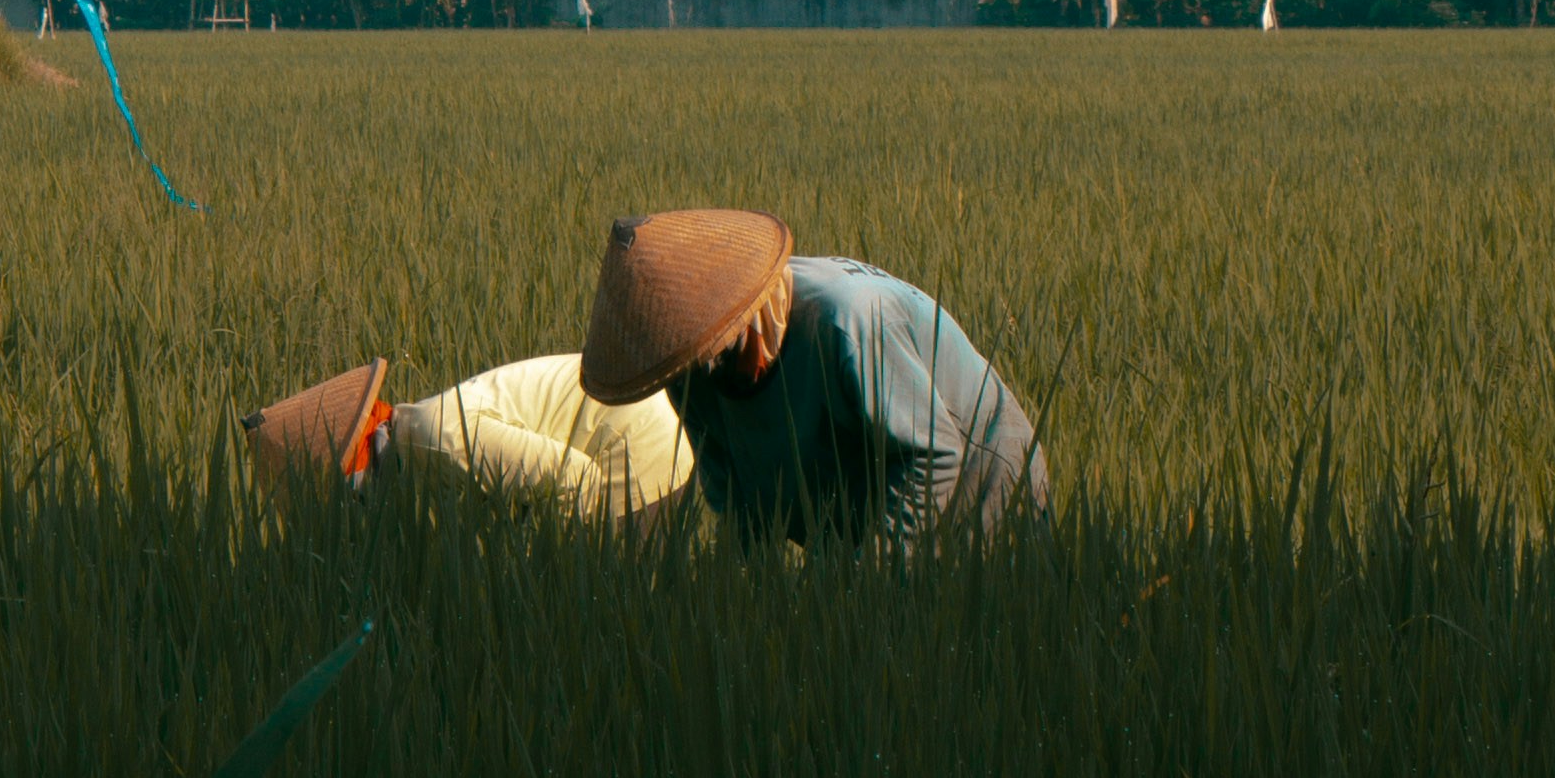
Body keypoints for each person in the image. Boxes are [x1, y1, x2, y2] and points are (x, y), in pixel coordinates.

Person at [578, 205, 1049, 546]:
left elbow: (933, 453)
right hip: (860, 495)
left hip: (981, 479)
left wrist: (872, 578)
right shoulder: (685, 369)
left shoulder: (849, 322)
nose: (687, 380)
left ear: (734, 324)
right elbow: (735, 498)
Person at [247, 345, 691, 517]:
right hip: (618, 422)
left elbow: (577, 481)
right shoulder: (417, 449)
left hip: (630, 444)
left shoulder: (436, 440)